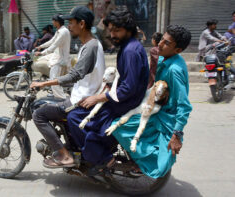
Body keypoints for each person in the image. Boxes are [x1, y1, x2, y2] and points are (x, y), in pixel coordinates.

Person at [67, 7, 149, 175]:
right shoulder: (129, 47)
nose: (112, 35)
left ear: (129, 29)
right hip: (123, 99)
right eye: (111, 31)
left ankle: (102, 158)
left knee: (74, 117)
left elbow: (128, 88)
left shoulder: (131, 51)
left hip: (123, 104)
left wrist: (98, 98)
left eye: (116, 31)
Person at [112, 25, 193, 178]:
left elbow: (184, 105)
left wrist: (177, 134)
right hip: (155, 106)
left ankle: (141, 160)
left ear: (178, 50)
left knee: (117, 127)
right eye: (162, 39)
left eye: (167, 43)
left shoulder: (174, 70)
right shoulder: (165, 58)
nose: (160, 44)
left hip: (164, 116)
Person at [30, 6, 105, 168]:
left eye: (71, 22)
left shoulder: (91, 46)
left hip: (81, 100)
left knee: (39, 114)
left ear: (82, 24)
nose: (69, 25)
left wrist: (43, 83)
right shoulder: (91, 44)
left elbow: (74, 75)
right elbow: (82, 75)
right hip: (83, 93)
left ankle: (64, 155)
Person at [33, 14, 71, 99]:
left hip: (60, 60)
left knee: (54, 81)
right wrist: (40, 47)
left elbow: (54, 45)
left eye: (53, 21)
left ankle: (61, 99)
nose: (52, 22)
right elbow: (52, 41)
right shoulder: (60, 31)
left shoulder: (63, 32)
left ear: (57, 22)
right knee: (42, 61)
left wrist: (42, 53)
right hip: (57, 56)